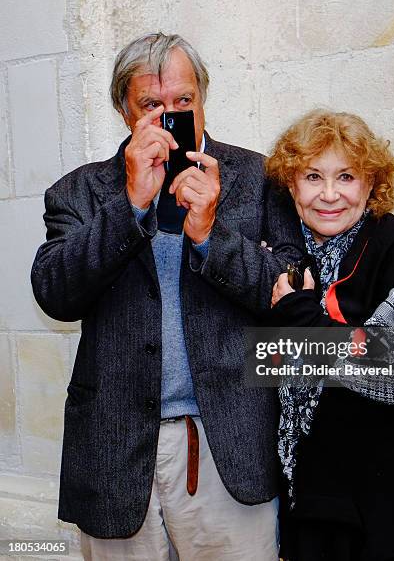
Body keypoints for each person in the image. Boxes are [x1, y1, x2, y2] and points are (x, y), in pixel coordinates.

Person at [31, 32, 305, 560]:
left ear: (203, 97)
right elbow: (55, 294)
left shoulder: (257, 178)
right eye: (152, 105)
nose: (170, 115)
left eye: (184, 101)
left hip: (227, 448)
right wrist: (131, 203)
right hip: (114, 451)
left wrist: (210, 234)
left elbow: (289, 297)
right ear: (124, 111)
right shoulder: (79, 191)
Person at [266, 110, 394, 560]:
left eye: (346, 176)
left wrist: (305, 322)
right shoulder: (283, 252)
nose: (329, 194)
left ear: (371, 185)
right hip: (317, 503)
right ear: (292, 185)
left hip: (393, 504)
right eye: (313, 176)